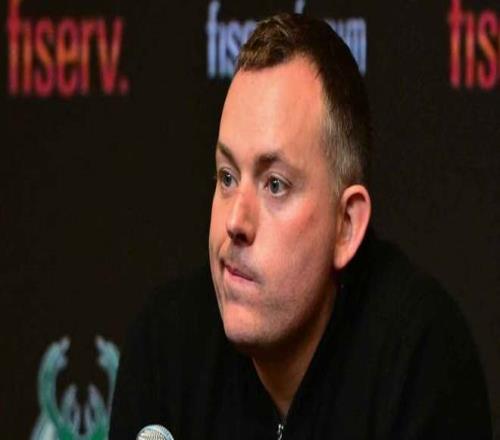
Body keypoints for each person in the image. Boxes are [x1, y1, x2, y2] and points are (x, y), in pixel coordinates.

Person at [110, 13, 492, 439]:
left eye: (275, 185)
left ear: (346, 225)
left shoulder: (421, 358)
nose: (235, 221)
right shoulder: (164, 346)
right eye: (227, 177)